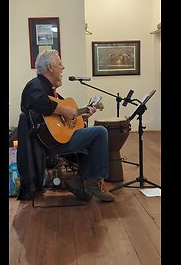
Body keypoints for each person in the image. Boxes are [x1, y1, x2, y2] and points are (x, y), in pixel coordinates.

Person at [17, 49, 115, 202]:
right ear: (50, 67)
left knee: (93, 134)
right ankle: (93, 182)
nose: (63, 68)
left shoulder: (50, 90)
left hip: (54, 140)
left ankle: (81, 181)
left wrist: (80, 115)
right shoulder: (35, 85)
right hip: (47, 144)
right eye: (60, 64)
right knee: (100, 133)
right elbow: (35, 101)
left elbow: (62, 117)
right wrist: (63, 110)